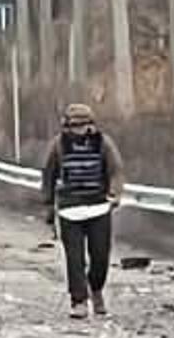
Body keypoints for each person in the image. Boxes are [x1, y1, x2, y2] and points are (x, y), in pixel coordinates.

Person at [42, 103, 126, 319]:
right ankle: (78, 300)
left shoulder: (103, 143)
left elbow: (116, 170)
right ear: (67, 126)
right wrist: (48, 204)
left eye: (84, 125)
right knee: (75, 258)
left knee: (100, 257)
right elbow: (49, 174)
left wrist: (115, 194)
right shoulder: (58, 145)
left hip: (98, 207)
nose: (80, 130)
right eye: (75, 126)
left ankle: (95, 289)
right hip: (70, 210)